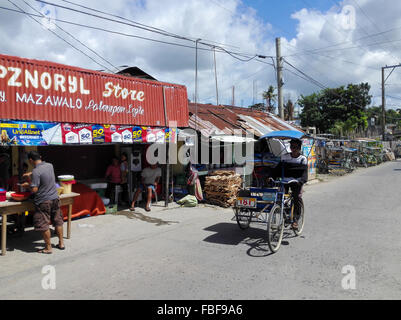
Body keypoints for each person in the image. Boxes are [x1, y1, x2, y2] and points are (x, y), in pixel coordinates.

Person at [20, 151, 64, 254]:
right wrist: (30, 174)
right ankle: (61, 243)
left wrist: (28, 185)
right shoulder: (49, 165)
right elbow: (42, 172)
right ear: (40, 157)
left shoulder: (36, 172)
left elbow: (34, 190)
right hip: (55, 198)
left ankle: (48, 248)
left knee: (43, 224)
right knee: (58, 220)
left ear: (30, 160)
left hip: (44, 201)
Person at [270, 138, 308, 229]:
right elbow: (277, 169)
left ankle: (295, 220)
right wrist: (271, 176)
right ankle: (285, 212)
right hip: (285, 180)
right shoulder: (285, 157)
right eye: (292, 147)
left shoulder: (303, 159)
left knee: (296, 198)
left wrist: (301, 181)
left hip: (296, 182)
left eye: (295, 147)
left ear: (299, 148)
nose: (293, 149)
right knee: (280, 197)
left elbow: (304, 173)